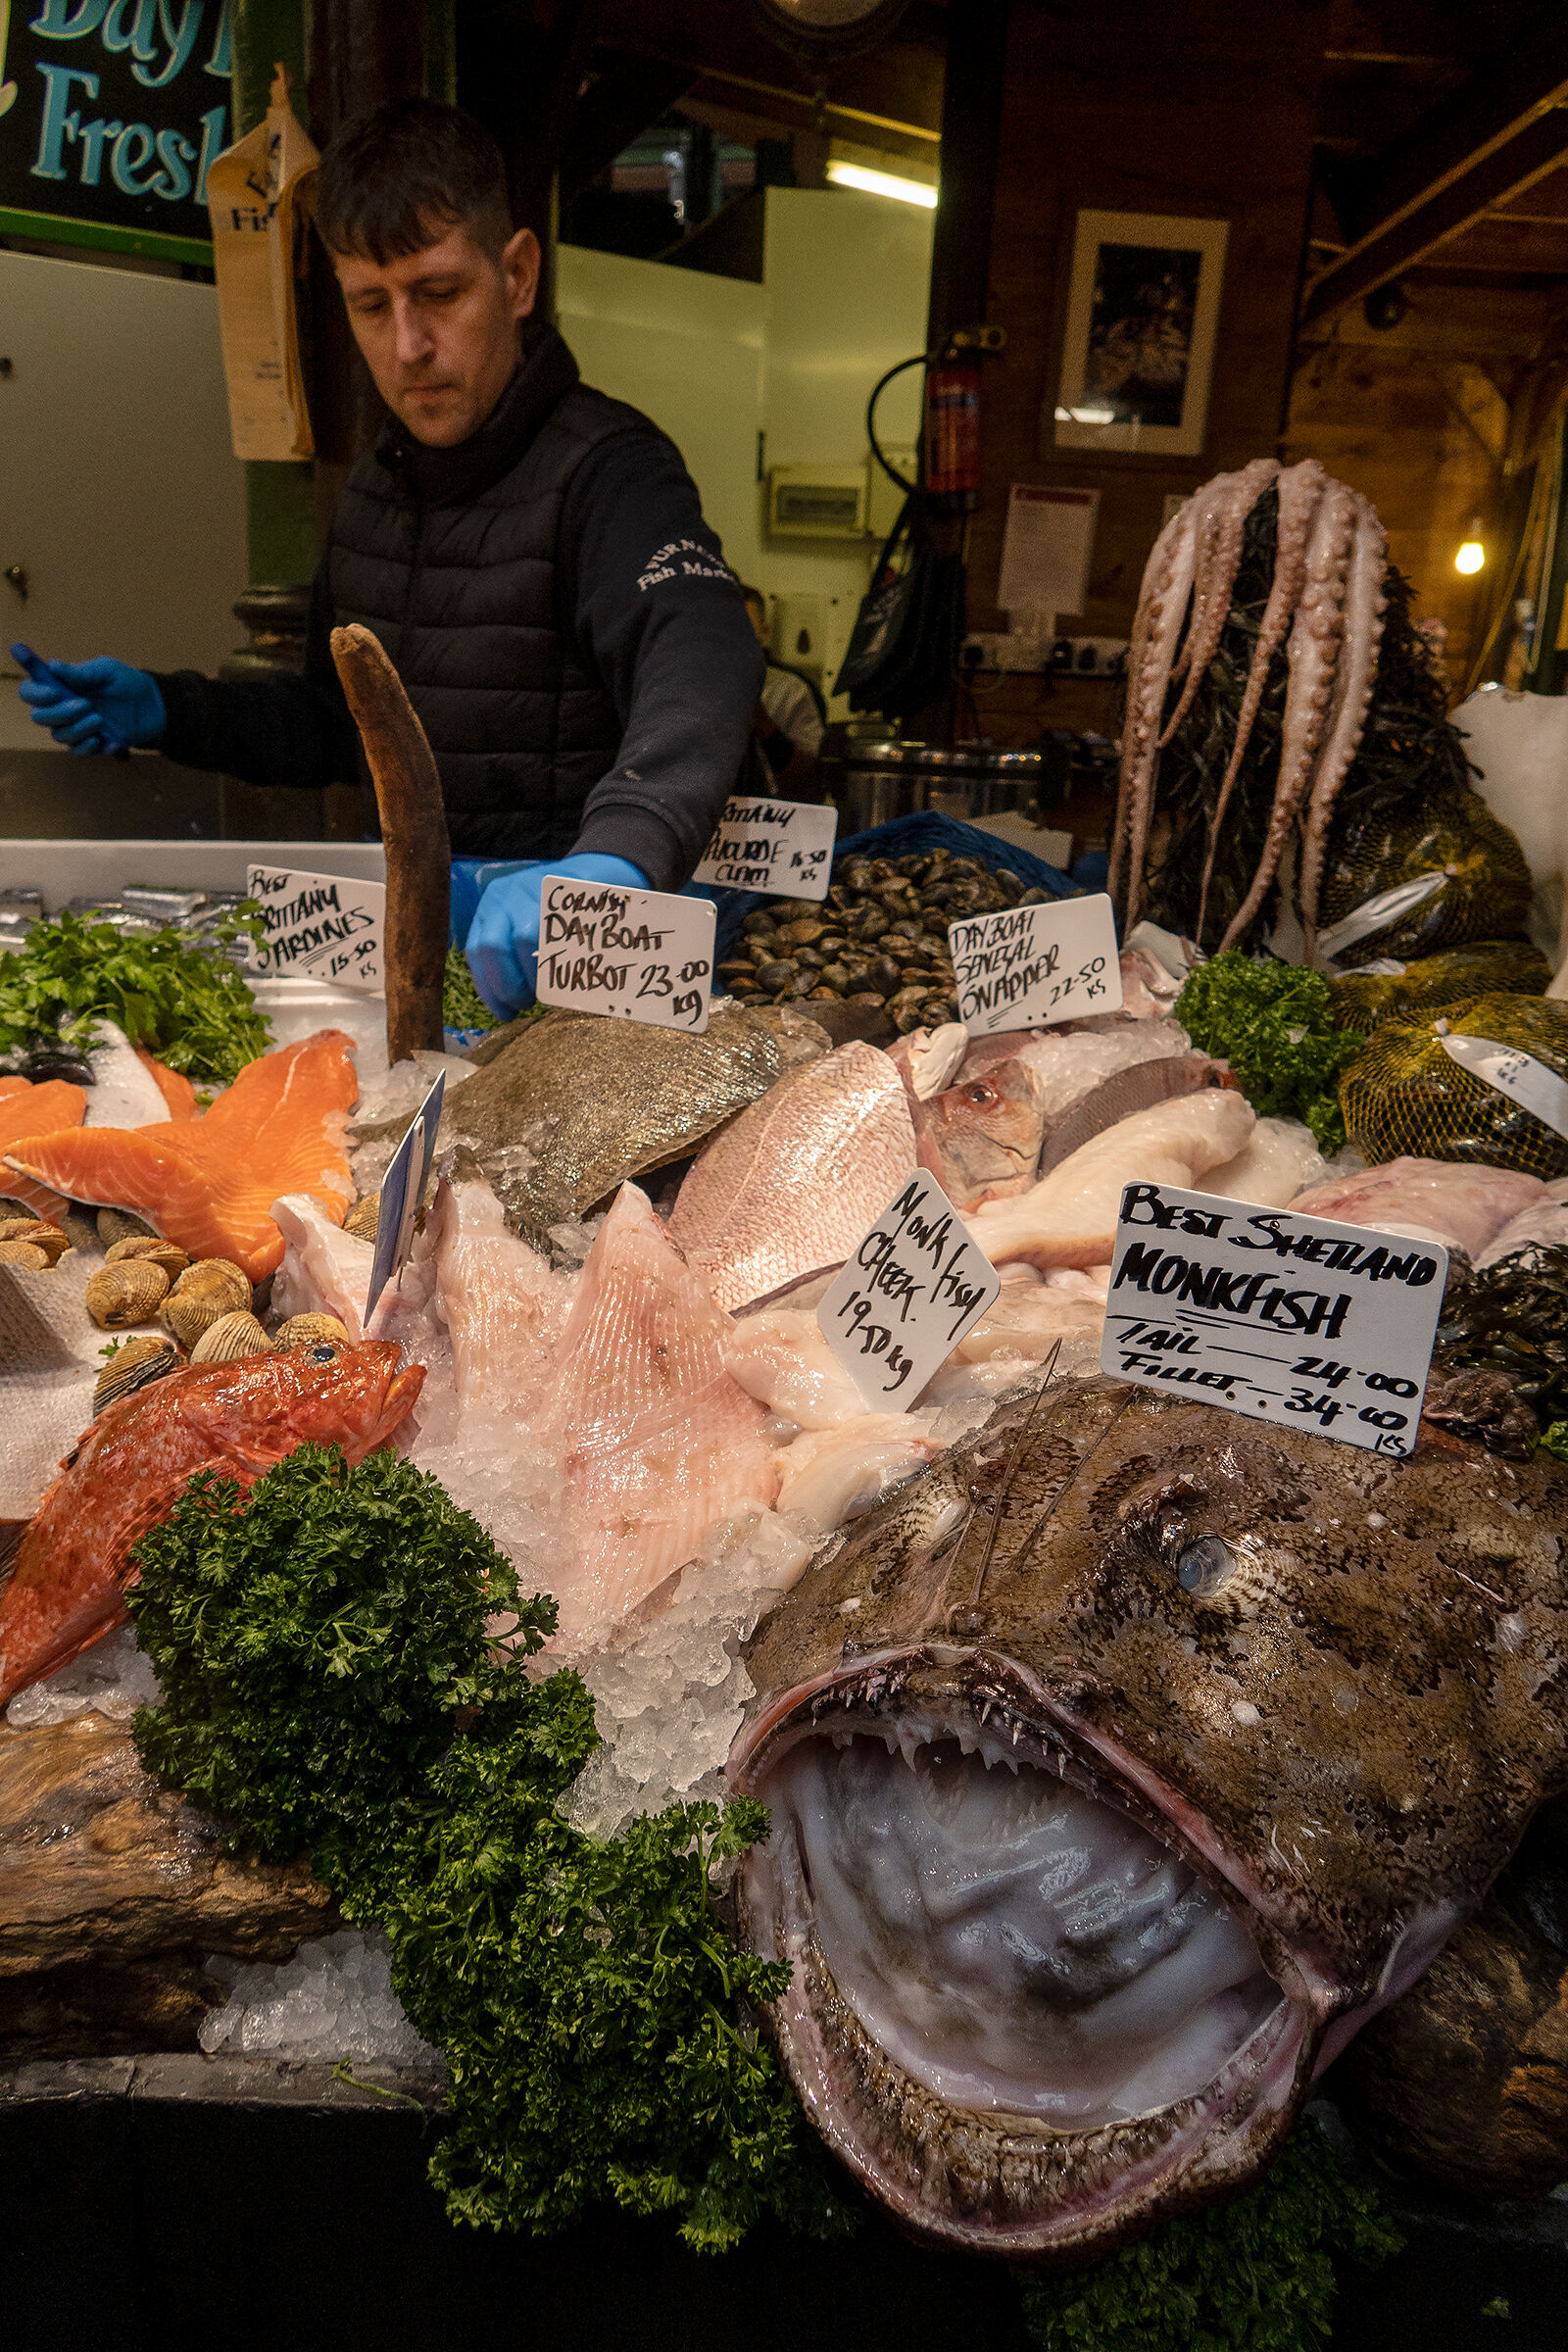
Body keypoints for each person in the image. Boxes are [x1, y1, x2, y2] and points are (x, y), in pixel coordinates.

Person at [15, 100, 762, 1019]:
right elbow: (338, 728)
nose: (409, 346)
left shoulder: (613, 474)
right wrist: (173, 710)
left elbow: (703, 656)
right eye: (372, 305)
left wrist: (617, 858)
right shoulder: (374, 490)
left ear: (517, 276)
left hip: (592, 970)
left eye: (440, 293)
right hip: (429, 964)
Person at [740, 584, 826, 801]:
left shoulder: (790, 691)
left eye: (745, 628)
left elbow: (810, 777)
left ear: (764, 631)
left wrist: (765, 725)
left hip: (775, 809)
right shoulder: (689, 685)